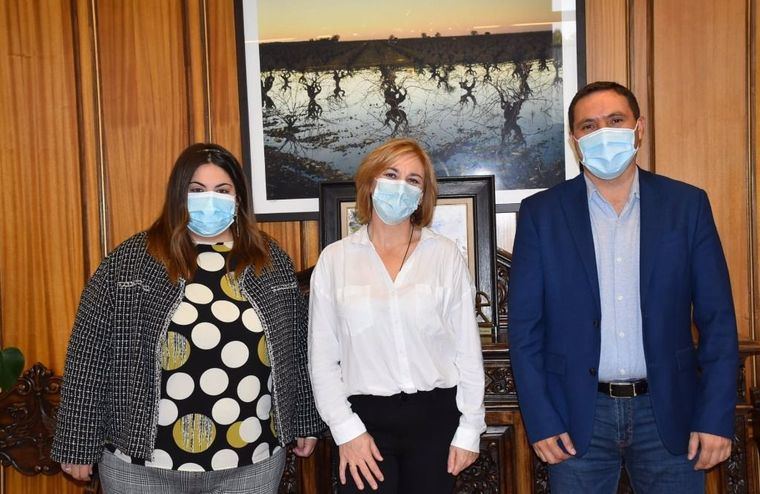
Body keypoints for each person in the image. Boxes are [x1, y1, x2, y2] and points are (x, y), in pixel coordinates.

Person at [52, 143, 325, 493]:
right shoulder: (131, 260)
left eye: (222, 190)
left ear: (238, 198)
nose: (209, 200)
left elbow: (297, 351)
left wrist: (304, 421)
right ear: (178, 196)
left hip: (252, 462)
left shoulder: (269, 261)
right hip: (142, 466)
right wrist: (78, 443)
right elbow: (89, 354)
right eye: (197, 190)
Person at [508, 81, 740, 493]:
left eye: (615, 121)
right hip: (577, 417)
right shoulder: (540, 215)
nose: (603, 133)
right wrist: (541, 420)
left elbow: (718, 320)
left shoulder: (686, 206)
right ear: (575, 139)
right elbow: (525, 331)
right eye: (588, 126)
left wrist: (716, 416)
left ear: (639, 127)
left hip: (669, 413)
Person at [308, 138, 486, 493]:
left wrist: (470, 428)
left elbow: (467, 349)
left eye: (413, 180)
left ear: (423, 194)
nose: (401, 186)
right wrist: (346, 430)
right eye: (391, 174)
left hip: (436, 419)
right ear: (371, 182)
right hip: (364, 422)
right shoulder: (335, 260)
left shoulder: (444, 255)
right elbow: (323, 358)